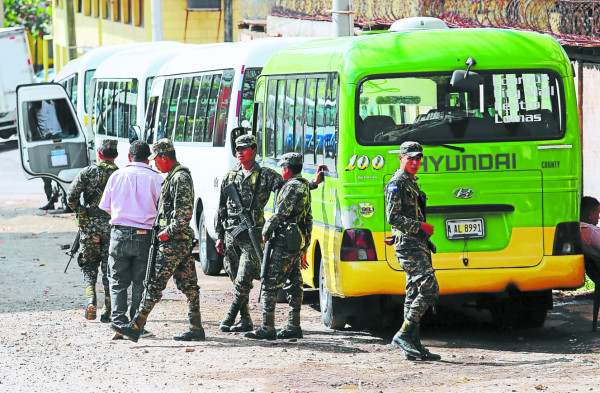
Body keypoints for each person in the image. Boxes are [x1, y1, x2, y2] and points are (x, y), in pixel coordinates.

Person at [215, 134, 322, 333]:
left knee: (244, 279)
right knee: (235, 276)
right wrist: (219, 235)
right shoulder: (229, 176)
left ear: (254, 151)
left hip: (252, 236)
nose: (239, 152)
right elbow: (221, 207)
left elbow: (291, 189)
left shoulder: (265, 175)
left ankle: (230, 317)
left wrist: (312, 184)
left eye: (244, 148)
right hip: (231, 234)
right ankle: (245, 319)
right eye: (237, 149)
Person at [110, 139, 205, 342]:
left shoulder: (180, 177)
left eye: (157, 160)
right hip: (177, 240)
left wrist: (165, 233)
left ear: (164, 157)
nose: (155, 164)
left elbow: (183, 215)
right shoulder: (172, 177)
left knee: (153, 284)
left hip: (173, 241)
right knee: (189, 284)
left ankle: (136, 326)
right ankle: (196, 326)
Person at [245, 152, 312, 340]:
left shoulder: (292, 187)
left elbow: (279, 214)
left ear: (287, 169)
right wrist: (305, 245)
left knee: (269, 282)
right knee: (295, 283)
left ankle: (267, 327)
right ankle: (293, 325)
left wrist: (265, 231)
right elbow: (308, 218)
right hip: (295, 241)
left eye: (282, 167)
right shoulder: (304, 185)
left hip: (284, 240)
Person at [99, 141, 163, 339]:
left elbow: (106, 206)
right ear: (148, 158)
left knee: (117, 280)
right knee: (140, 282)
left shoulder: (116, 175)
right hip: (145, 236)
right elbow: (161, 209)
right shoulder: (156, 179)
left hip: (118, 233)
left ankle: (118, 323)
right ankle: (136, 326)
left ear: (129, 157)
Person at [384, 141, 441, 361]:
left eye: (418, 159)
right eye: (411, 159)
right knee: (430, 289)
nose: (415, 163)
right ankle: (404, 334)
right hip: (408, 245)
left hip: (416, 244)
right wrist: (421, 227)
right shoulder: (397, 183)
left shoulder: (411, 182)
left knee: (413, 294)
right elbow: (393, 217)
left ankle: (414, 345)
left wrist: (423, 236)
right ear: (401, 158)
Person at [66, 139, 119, 322]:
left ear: (99, 153)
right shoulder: (120, 174)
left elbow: (71, 197)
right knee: (109, 269)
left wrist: (81, 211)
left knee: (89, 267)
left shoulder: (87, 172)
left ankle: (91, 301)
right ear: (116, 155)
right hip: (113, 228)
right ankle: (108, 308)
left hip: (89, 228)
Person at [580, 196, 600, 260]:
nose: (598, 217)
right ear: (590, 215)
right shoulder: (592, 231)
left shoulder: (572, 229)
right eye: (597, 214)